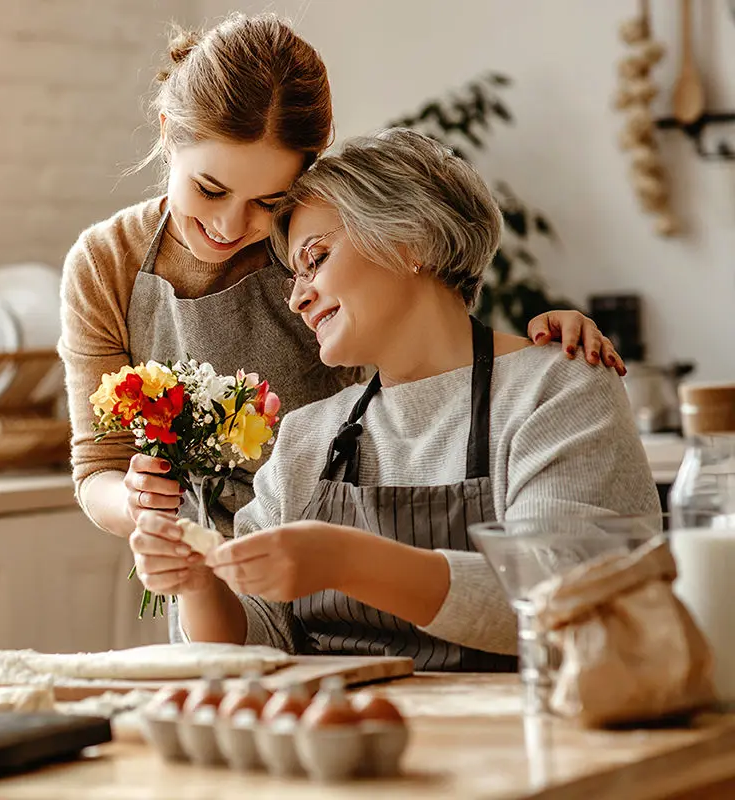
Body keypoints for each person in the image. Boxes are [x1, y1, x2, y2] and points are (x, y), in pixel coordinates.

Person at [58, 12, 624, 636]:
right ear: (169, 135)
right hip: (236, 602)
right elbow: (101, 465)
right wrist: (166, 535)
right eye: (210, 189)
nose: (228, 226)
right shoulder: (302, 438)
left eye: (269, 205)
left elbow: (430, 349)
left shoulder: (550, 392)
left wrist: (535, 349)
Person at [128, 128, 661, 668]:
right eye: (294, 274)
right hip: (349, 740)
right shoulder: (307, 436)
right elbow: (256, 639)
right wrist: (198, 584)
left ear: (411, 240)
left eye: (316, 258)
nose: (296, 297)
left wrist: (346, 559)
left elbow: (566, 596)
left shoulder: (556, 388)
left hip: (521, 737)